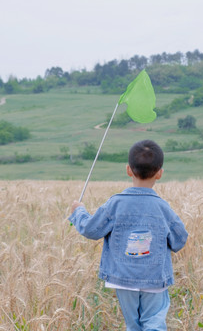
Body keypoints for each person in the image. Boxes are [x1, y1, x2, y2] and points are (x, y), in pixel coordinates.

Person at [69, 139, 188, 330]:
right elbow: (179, 240)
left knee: (133, 326)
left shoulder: (115, 204)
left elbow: (91, 229)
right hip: (154, 279)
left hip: (123, 280)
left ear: (128, 170)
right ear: (160, 173)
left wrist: (78, 211)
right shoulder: (163, 208)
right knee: (154, 323)